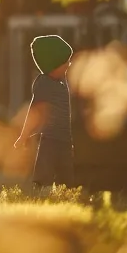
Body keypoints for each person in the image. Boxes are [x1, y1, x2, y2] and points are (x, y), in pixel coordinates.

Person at [17, 35, 75, 186]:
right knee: (45, 171)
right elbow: (34, 111)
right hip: (49, 139)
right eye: (65, 62)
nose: (69, 64)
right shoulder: (44, 83)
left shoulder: (63, 81)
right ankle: (40, 190)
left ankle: (67, 193)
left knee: (67, 174)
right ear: (52, 65)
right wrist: (24, 135)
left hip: (66, 139)